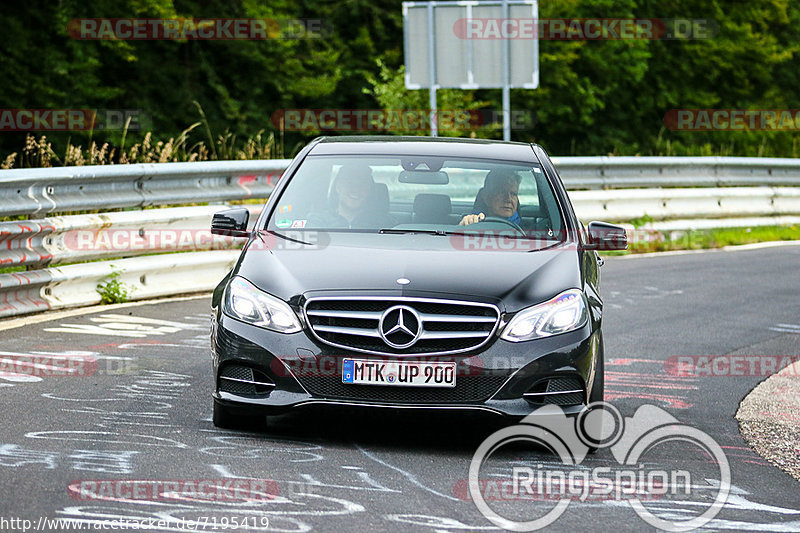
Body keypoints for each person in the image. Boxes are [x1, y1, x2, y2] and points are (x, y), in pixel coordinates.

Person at [308, 163, 393, 228]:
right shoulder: (317, 222)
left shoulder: (385, 224)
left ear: (370, 191)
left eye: (362, 184)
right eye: (349, 183)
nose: (355, 189)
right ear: (338, 187)